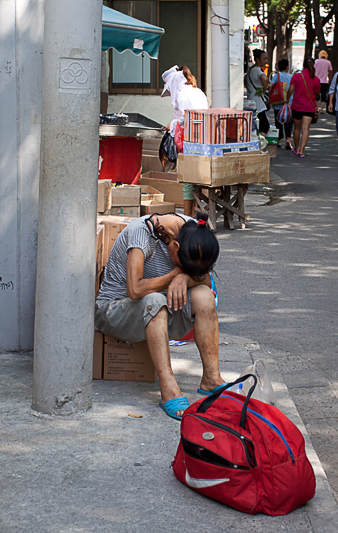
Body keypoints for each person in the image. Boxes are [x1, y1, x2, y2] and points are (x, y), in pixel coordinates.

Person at [95, 212, 225, 421]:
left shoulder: (192, 230)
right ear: (174, 247)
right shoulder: (141, 234)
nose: (183, 269)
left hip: (160, 308)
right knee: (154, 300)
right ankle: (168, 389)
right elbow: (135, 290)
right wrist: (174, 276)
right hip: (116, 310)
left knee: (204, 296)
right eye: (184, 265)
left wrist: (185, 277)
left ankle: (211, 379)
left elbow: (206, 281)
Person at [161, 65, 208, 218]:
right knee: (193, 179)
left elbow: (185, 118)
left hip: (189, 141)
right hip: (204, 140)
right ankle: (193, 213)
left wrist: (171, 125)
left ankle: (188, 215)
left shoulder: (182, 94)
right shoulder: (197, 91)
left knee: (187, 179)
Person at [286, 58, 321, 158]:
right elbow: (317, 93)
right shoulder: (316, 79)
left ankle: (296, 148)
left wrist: (287, 99)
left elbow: (291, 89)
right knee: (306, 129)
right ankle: (302, 151)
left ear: (303, 65)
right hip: (309, 107)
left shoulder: (296, 76)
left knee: (297, 128)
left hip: (297, 106)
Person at [246, 49, 271, 138]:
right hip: (258, 99)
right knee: (264, 124)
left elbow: (245, 82)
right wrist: (264, 89)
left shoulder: (250, 70)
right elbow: (265, 79)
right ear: (257, 59)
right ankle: (261, 143)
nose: (266, 60)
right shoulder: (257, 70)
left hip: (250, 98)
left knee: (255, 123)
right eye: (264, 58)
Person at [271, 58, 294, 150]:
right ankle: (288, 140)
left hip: (278, 103)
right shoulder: (291, 76)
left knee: (278, 122)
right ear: (287, 67)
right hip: (289, 103)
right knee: (288, 121)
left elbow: (270, 85)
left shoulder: (276, 76)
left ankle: (279, 140)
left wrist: (269, 95)